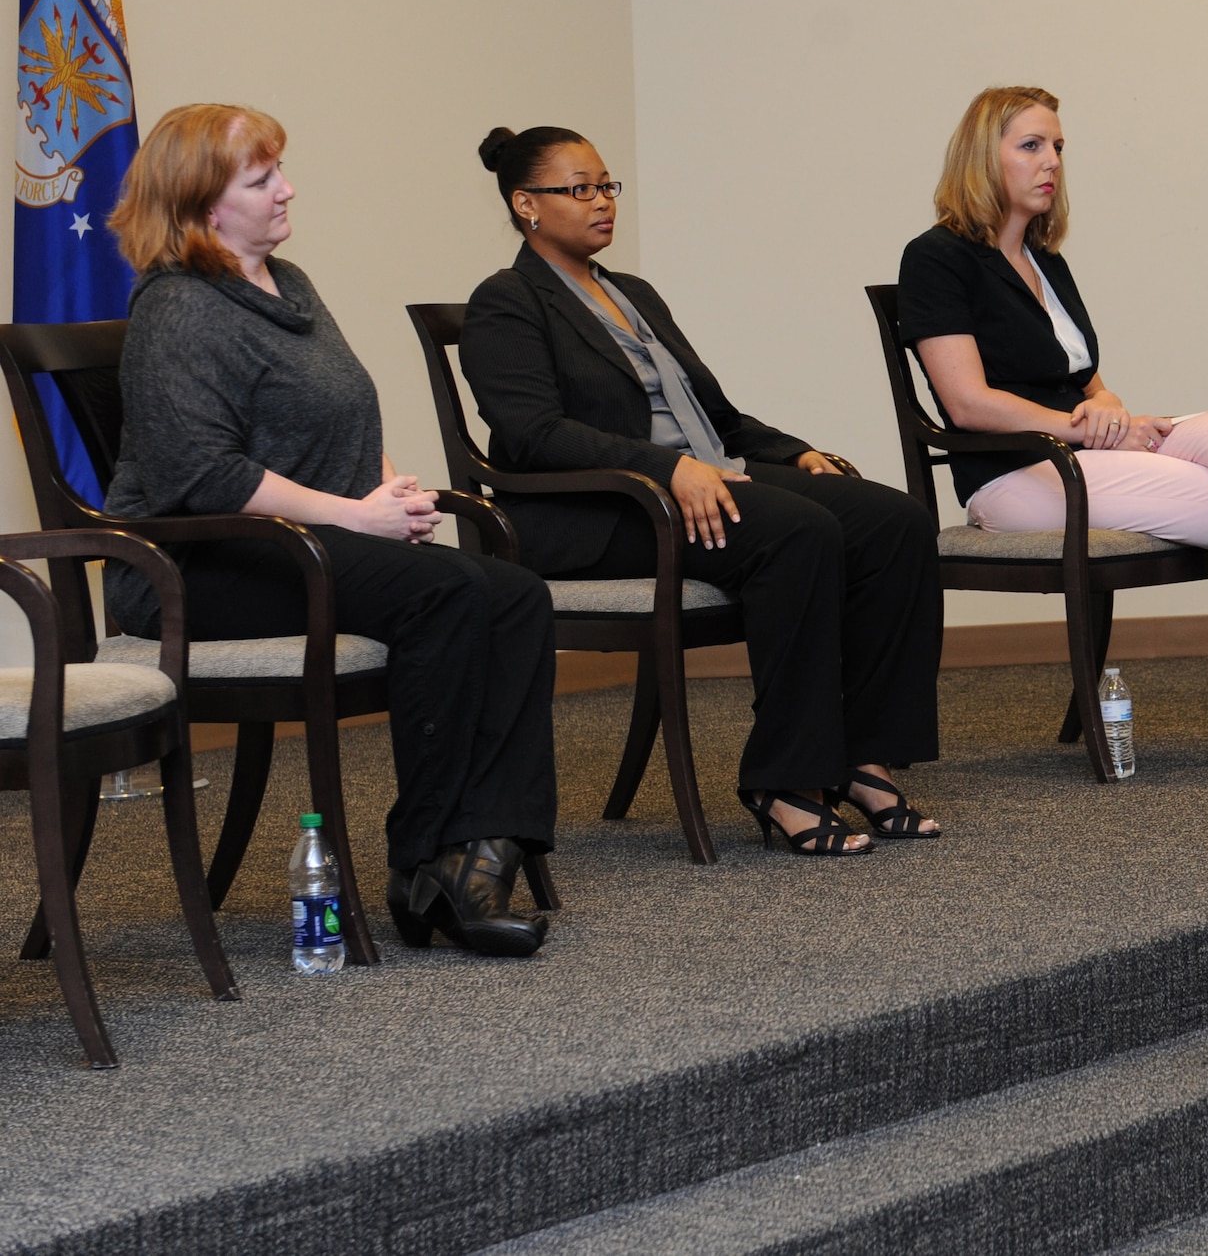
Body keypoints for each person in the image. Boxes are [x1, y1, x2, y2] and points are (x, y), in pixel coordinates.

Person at [102, 104, 553, 958]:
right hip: (190, 566)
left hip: (293, 540)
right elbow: (206, 477)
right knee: (449, 595)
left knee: (517, 595)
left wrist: (388, 490)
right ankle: (424, 856)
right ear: (204, 208)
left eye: (280, 170)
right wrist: (357, 518)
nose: (287, 188)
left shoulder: (290, 283)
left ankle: (483, 844)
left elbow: (344, 406)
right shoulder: (178, 310)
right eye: (261, 178)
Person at [460, 127, 942, 856]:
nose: (601, 202)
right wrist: (667, 469)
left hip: (701, 477)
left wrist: (796, 451)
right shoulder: (506, 301)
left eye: (606, 186)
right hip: (599, 508)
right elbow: (533, 434)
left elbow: (714, 416)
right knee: (799, 531)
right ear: (526, 204)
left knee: (893, 520)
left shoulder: (633, 293)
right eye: (579, 189)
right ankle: (785, 779)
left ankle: (859, 755)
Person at [898, 87, 1208, 767]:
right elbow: (967, 403)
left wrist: (1115, 413)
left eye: (1059, 148)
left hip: (1076, 451)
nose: (1052, 162)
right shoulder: (938, 258)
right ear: (984, 156)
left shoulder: (1047, 261)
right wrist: (1085, 426)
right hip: (1013, 475)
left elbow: (1086, 379)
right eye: (1032, 146)